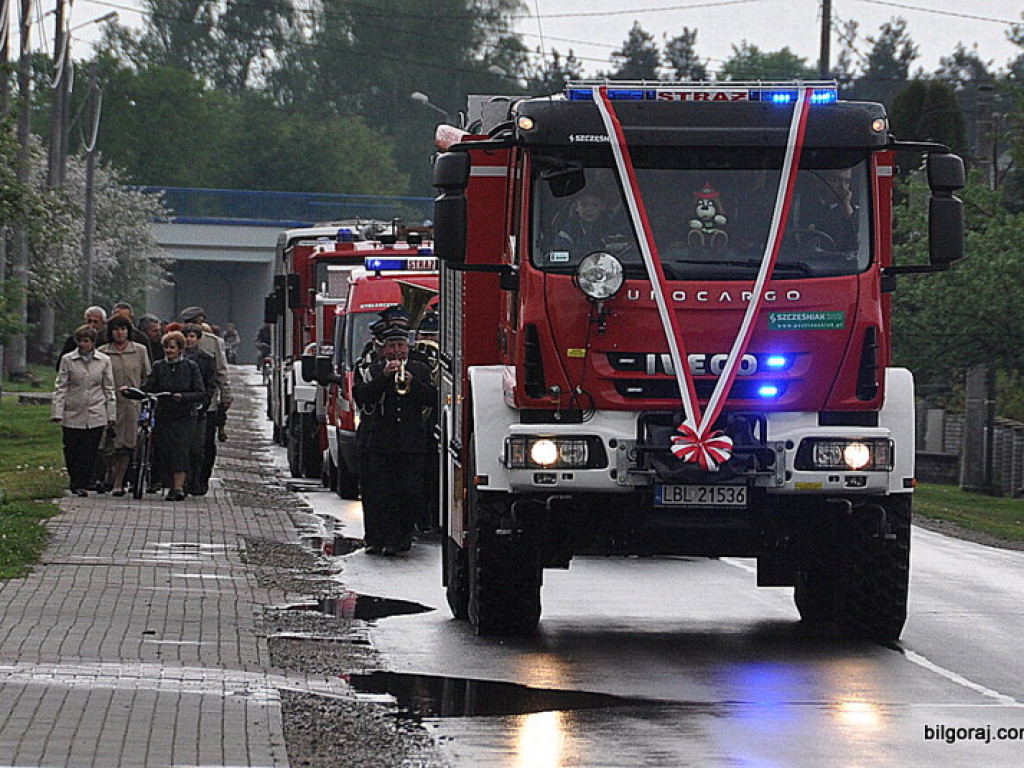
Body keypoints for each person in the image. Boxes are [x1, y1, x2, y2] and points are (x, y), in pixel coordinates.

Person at [352, 327, 437, 556]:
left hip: (411, 444)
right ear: (383, 349)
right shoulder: (372, 371)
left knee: (410, 493)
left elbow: (432, 398)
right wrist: (384, 377)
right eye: (391, 346)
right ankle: (389, 539)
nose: (396, 351)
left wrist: (412, 383)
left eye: (400, 345)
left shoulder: (420, 369)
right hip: (381, 443)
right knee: (383, 494)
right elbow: (361, 396)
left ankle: (404, 535)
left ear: (407, 347)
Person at [133, 331, 205, 501]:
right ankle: (168, 483)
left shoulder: (190, 367)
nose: (168, 350)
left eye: (172, 347)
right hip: (164, 414)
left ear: (180, 349)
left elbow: (200, 392)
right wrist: (139, 392)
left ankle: (178, 487)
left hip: (184, 416)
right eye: (166, 347)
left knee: (180, 449)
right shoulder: (159, 367)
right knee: (165, 449)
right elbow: (149, 385)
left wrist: (183, 397)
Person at [51, 325, 117, 496]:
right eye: (80, 341)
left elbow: (108, 387)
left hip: (95, 410)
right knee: (72, 449)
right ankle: (75, 479)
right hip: (73, 409)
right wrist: (57, 412)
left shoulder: (104, 360)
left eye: (86, 341)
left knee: (90, 450)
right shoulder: (68, 360)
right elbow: (61, 386)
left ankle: (83, 482)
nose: (83, 344)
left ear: (93, 342)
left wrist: (111, 414)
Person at [179, 306, 233, 494]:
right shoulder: (177, 339)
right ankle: (184, 480)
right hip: (183, 401)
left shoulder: (213, 342)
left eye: (195, 322)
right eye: (188, 323)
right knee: (185, 443)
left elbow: (221, 371)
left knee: (205, 443)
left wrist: (226, 396)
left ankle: (202, 479)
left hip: (207, 403)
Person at [99, 314, 153, 495]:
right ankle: (109, 472)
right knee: (106, 444)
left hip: (131, 405)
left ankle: (119, 483)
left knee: (126, 445)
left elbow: (148, 377)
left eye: (123, 329)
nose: (120, 333)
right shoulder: (102, 352)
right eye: (116, 329)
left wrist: (140, 393)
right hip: (106, 404)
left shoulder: (139, 351)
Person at [181, 323, 217, 496]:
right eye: (186, 336)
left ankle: (195, 480)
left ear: (198, 338)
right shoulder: (176, 357)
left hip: (199, 409)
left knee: (197, 448)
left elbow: (211, 383)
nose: (189, 340)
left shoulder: (207, 359)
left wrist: (206, 401)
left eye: (192, 336)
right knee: (181, 447)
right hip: (179, 408)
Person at [552, 186, 630, 259]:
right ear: (576, 207)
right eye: (584, 205)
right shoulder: (569, 230)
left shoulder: (612, 227)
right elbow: (559, 253)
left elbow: (626, 249)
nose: (589, 209)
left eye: (595, 205)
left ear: (603, 206)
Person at [794, 168, 858, 251]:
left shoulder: (852, 210)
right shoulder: (800, 204)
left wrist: (847, 208)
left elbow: (856, 244)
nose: (843, 187)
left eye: (847, 182)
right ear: (819, 180)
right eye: (835, 180)